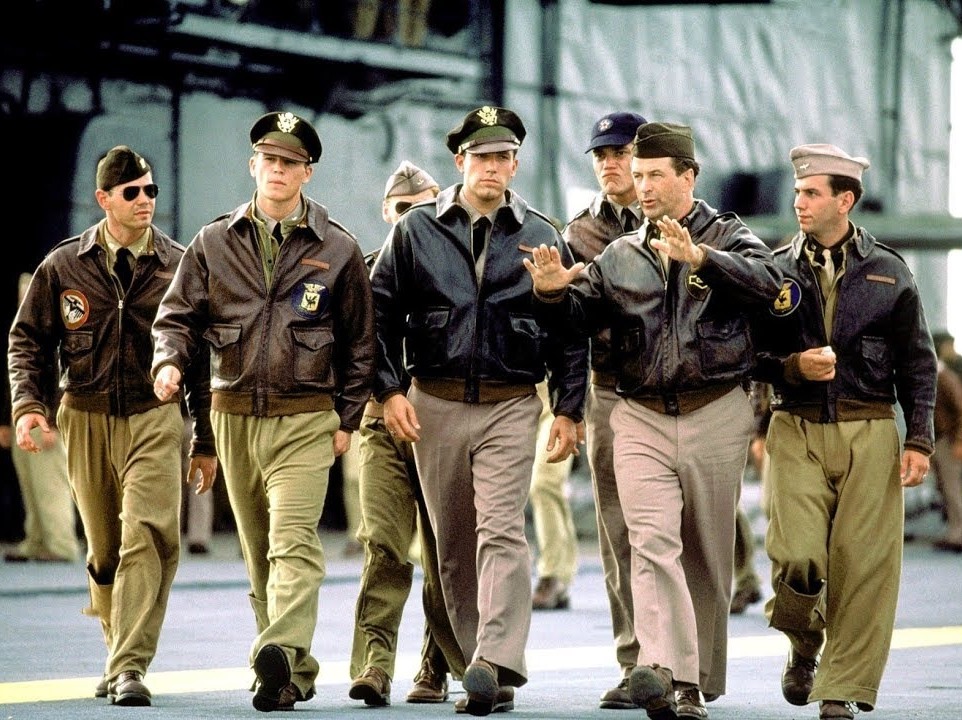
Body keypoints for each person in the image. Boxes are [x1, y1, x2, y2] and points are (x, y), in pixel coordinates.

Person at [526, 121, 782, 720]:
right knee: (649, 543)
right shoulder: (620, 253)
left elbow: (772, 285)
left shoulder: (731, 235)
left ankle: (694, 678)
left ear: (688, 176)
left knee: (706, 553)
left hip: (715, 409)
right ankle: (664, 671)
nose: (641, 187)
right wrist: (552, 294)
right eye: (637, 176)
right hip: (637, 412)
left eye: (654, 176)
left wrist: (703, 259)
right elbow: (579, 317)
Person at [151, 111, 375, 713]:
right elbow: (177, 318)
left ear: (307, 173)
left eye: (290, 162)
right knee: (257, 554)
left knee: (292, 544)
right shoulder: (213, 242)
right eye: (269, 159)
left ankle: (276, 649)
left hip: (306, 418)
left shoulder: (339, 248)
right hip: (232, 413)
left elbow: (361, 343)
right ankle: (287, 675)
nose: (278, 170)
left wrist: (347, 419)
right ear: (253, 165)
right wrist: (168, 362)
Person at [370, 106, 588, 716]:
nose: (493, 167)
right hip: (432, 401)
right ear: (459, 162)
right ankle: (479, 670)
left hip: (510, 403)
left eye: (504, 157)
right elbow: (377, 315)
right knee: (452, 543)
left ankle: (496, 658)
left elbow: (571, 333)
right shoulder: (415, 230)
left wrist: (568, 407)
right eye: (482, 156)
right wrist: (389, 390)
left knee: (501, 530)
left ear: (516, 164)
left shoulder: (542, 234)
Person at [7, 145, 218, 706]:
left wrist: (204, 438)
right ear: (104, 199)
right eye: (132, 192)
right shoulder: (64, 265)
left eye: (151, 190)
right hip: (85, 415)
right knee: (104, 551)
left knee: (148, 535)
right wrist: (29, 405)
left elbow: (201, 359)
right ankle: (116, 648)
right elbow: (27, 341)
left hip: (155, 416)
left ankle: (129, 665)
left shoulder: (178, 265)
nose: (146, 200)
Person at [752, 143, 937, 720]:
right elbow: (747, 355)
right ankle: (804, 641)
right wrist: (792, 368)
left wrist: (920, 439)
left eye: (811, 193)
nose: (799, 202)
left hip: (871, 427)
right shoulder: (775, 270)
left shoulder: (889, 271)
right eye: (798, 192)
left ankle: (840, 691)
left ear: (845, 200)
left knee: (863, 569)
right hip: (795, 426)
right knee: (796, 557)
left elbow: (919, 362)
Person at [348, 160, 466, 707]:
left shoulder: (457, 270)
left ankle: (435, 666)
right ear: (385, 213)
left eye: (422, 208)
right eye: (401, 209)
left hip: (442, 423)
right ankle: (375, 664)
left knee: (445, 550)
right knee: (384, 544)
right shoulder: (366, 273)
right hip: (381, 425)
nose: (411, 219)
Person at [561, 110, 646, 709]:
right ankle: (636, 660)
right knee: (619, 534)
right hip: (612, 392)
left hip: (684, 395)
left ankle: (687, 659)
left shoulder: (687, 221)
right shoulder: (579, 233)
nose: (611, 163)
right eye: (601, 155)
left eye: (622, 152)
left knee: (684, 535)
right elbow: (569, 333)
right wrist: (569, 408)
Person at [1, 274, 80, 564]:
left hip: (44, 418)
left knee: (50, 484)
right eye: (22, 293)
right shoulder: (21, 330)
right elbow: (11, 381)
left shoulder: (55, 330)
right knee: (30, 484)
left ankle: (61, 544)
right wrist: (6, 421)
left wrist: (54, 423)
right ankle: (36, 540)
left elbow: (63, 380)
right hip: (21, 416)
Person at [529, 378, 578, 611]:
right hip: (511, 386)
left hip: (557, 393)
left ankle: (553, 574)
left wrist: (575, 404)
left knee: (545, 482)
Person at [930, 359, 962, 553]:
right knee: (945, 487)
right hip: (941, 440)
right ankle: (954, 531)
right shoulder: (938, 377)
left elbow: (961, 409)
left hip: (949, 441)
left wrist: (959, 441)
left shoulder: (944, 378)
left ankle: (958, 534)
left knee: (952, 488)